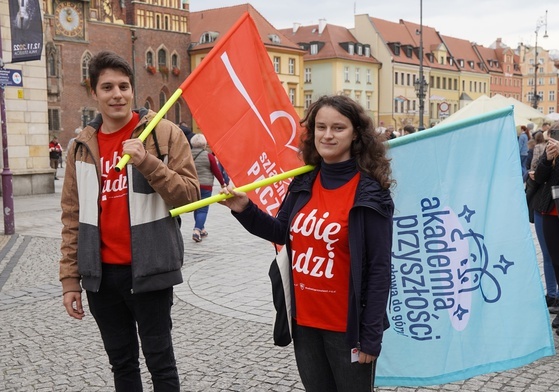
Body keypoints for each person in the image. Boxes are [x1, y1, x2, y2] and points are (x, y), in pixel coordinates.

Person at [220, 95, 394, 391]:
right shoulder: (303, 183)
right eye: (321, 127)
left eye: (338, 128)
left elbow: (379, 269)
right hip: (304, 322)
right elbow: (280, 232)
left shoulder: (370, 192)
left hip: (347, 328)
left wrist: (371, 335)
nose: (328, 135)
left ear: (355, 135)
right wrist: (244, 209)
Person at [59, 51, 200, 391]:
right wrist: (69, 280)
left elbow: (190, 195)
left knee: (160, 362)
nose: (117, 94)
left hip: (150, 270)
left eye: (124, 86)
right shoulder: (81, 146)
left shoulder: (162, 133)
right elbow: (72, 217)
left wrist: (148, 162)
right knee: (121, 364)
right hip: (102, 276)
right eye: (107, 87)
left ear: (133, 90)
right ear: (94, 93)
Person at [534, 121, 559, 334]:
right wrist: (548, 159)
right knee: (555, 260)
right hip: (550, 211)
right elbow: (540, 177)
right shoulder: (549, 151)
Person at [190, 133, 228, 242]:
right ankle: (196, 231)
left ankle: (202, 229)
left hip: (192, 185)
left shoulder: (187, 154)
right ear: (204, 143)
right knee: (203, 209)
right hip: (206, 186)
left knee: (197, 207)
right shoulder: (208, 156)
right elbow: (216, 171)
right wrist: (222, 183)